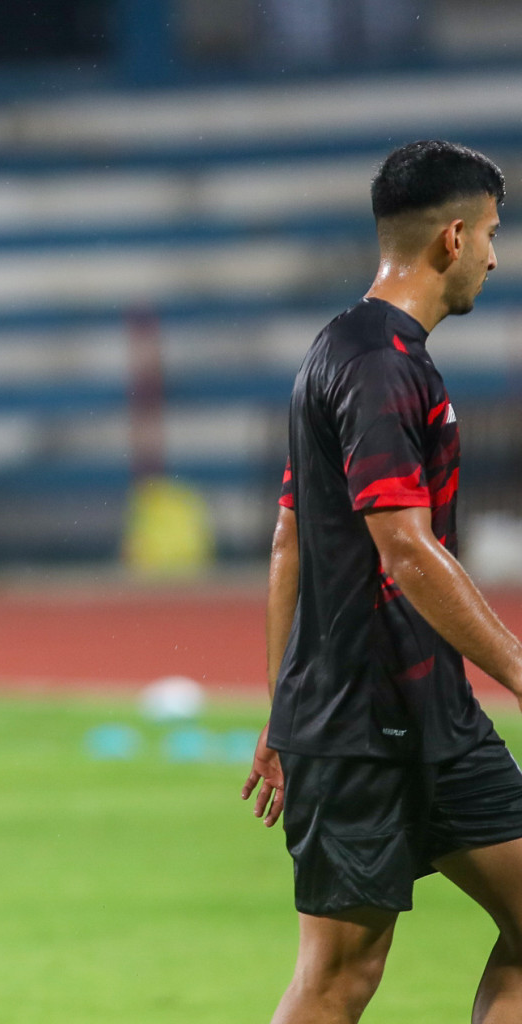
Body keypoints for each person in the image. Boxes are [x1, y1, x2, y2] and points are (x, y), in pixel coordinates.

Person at [243, 139, 522, 1023]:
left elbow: (290, 540)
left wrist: (281, 704)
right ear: (451, 236)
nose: (492, 255)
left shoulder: (345, 350)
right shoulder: (377, 366)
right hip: (361, 723)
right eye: (489, 233)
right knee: (339, 978)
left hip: (431, 715)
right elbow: (404, 547)